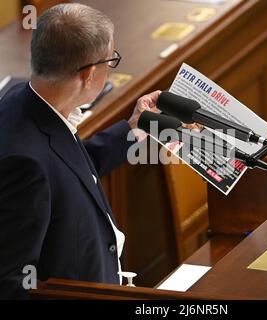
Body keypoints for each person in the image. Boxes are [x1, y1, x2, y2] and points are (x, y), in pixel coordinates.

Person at [0, 3, 160, 299]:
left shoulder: (26, 102)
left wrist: (135, 128)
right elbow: (11, 284)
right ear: (89, 74)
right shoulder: (25, 165)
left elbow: (70, 170)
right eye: (111, 60)